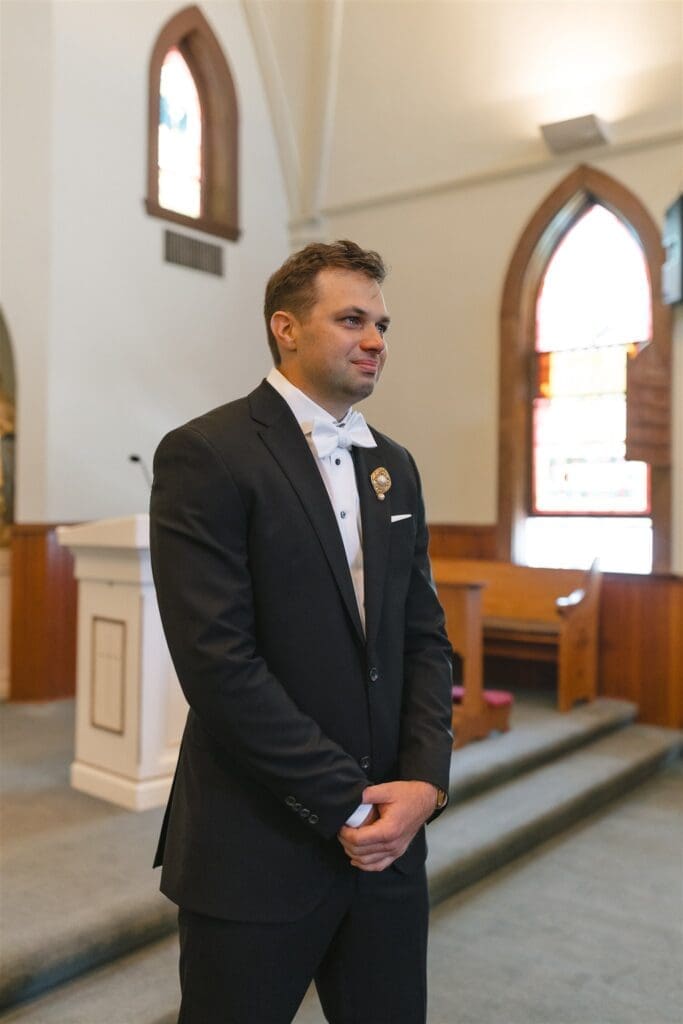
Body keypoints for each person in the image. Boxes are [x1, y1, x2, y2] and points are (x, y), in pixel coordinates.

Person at [150, 240, 454, 1024]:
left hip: (390, 845)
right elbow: (219, 665)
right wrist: (348, 804)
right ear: (285, 328)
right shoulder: (207, 454)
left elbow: (422, 637)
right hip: (256, 845)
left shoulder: (394, 465)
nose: (375, 339)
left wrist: (424, 782)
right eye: (351, 319)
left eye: (382, 324)